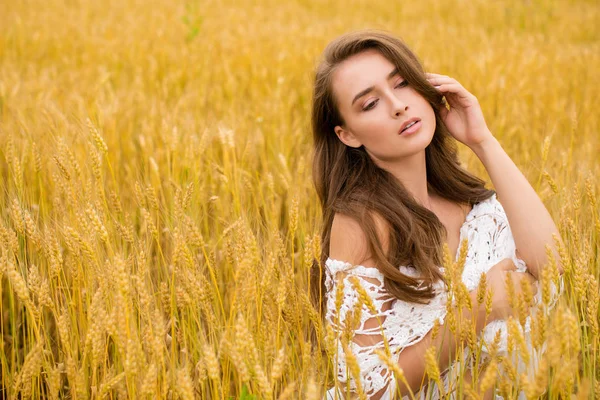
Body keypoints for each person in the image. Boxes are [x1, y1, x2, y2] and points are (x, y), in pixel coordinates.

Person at [309, 29, 564, 399]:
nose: (398, 105)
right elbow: (365, 391)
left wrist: (481, 140)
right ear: (348, 135)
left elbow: (556, 270)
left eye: (402, 84)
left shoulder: (473, 204)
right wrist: (477, 310)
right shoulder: (361, 224)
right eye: (370, 104)